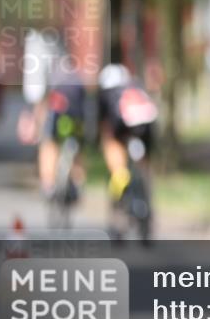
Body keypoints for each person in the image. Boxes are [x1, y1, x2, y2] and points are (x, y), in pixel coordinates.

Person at [97, 63, 157, 224]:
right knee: (144, 166)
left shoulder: (107, 93)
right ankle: (146, 189)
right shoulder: (136, 84)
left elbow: (105, 125)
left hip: (121, 125)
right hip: (147, 125)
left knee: (113, 149)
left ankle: (120, 181)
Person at [34, 66, 87, 201]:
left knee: (49, 143)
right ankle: (78, 182)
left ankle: (48, 184)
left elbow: (43, 104)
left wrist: (38, 128)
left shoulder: (51, 76)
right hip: (76, 114)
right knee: (78, 146)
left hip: (58, 112)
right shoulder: (77, 77)